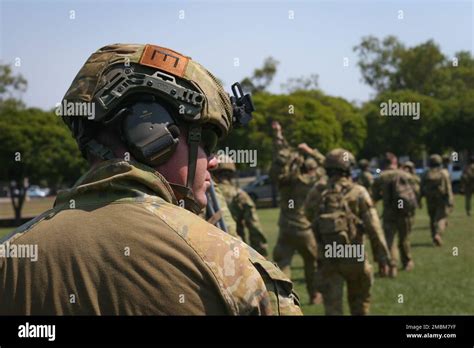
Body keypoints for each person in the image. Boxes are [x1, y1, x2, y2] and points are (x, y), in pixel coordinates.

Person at [0, 44, 301, 315]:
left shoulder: (9, 257)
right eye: (206, 141)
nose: (212, 161)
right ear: (152, 135)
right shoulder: (231, 267)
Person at [305, 149, 390, 315]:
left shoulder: (317, 191)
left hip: (329, 257)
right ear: (349, 168)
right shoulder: (358, 192)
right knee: (359, 307)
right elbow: (374, 228)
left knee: (333, 309)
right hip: (355, 256)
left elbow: (308, 215)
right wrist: (383, 258)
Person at [270, 120, 323, 304]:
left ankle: (283, 300)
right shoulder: (311, 180)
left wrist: (278, 134)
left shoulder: (284, 181)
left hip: (285, 228)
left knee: (283, 264)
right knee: (312, 263)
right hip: (305, 229)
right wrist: (310, 151)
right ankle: (315, 295)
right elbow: (327, 165)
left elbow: (281, 155)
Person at [211, 155, 269, 256]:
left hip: (211, 250)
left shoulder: (207, 193)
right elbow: (254, 227)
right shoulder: (239, 195)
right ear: (232, 174)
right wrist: (261, 254)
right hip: (237, 250)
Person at [372, 153, 417, 277]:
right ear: (395, 162)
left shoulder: (381, 177)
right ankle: (407, 262)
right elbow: (416, 191)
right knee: (404, 238)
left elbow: (374, 196)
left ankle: (392, 265)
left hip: (389, 212)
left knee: (389, 240)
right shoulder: (406, 175)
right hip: (405, 211)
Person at [421, 154, 454, 246]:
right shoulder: (444, 173)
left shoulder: (425, 173)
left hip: (429, 198)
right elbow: (448, 188)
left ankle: (433, 236)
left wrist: (419, 199)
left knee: (432, 218)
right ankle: (438, 234)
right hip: (441, 198)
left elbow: (421, 187)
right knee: (441, 218)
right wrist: (450, 200)